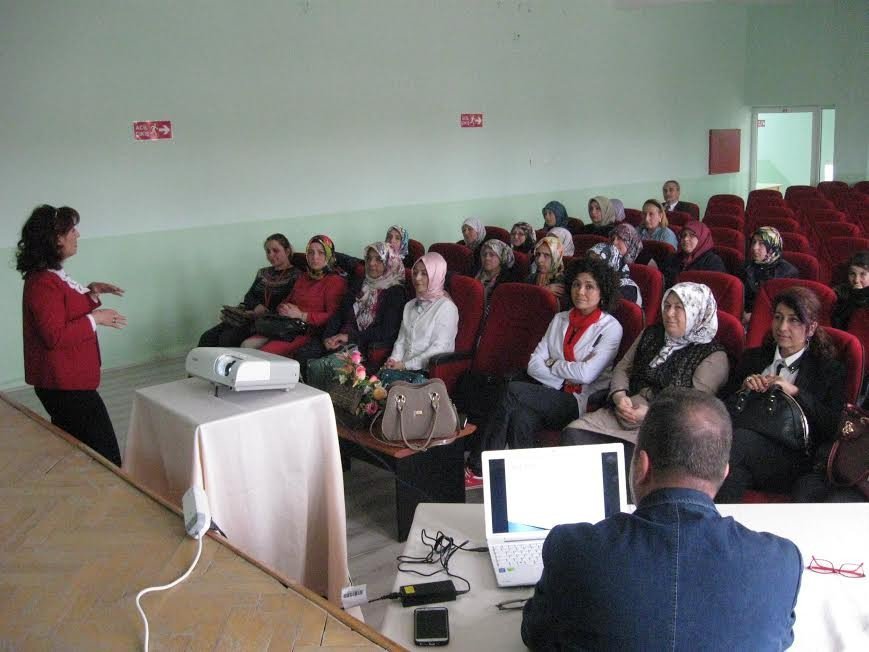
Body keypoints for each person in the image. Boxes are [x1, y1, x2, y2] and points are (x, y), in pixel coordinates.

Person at [522, 388, 802, 651]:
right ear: (725, 472)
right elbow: (781, 638)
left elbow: (537, 635)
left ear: (642, 466)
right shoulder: (781, 560)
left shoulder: (573, 548)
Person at [465, 258, 623, 487]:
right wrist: (561, 370)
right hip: (547, 393)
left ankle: (480, 466)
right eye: (577, 284)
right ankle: (526, 479)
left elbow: (586, 375)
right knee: (520, 416)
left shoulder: (610, 327)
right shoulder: (560, 319)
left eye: (590, 286)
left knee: (511, 391)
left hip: (577, 400)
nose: (581, 291)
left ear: (602, 291)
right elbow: (533, 364)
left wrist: (552, 364)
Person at [562, 282, 728, 462]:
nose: (669, 313)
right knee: (573, 434)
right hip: (624, 409)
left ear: (697, 312)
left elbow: (692, 408)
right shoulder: (653, 333)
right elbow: (623, 367)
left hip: (663, 424)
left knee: (629, 459)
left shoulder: (712, 356)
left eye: (679, 308)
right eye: (667, 305)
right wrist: (619, 395)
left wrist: (650, 412)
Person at [17, 205, 127, 466]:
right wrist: (96, 319)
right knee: (106, 456)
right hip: (63, 385)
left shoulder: (52, 276)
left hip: (68, 382)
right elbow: (54, 335)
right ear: (54, 239)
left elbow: (65, 309)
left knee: (75, 450)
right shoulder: (43, 283)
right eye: (70, 230)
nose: (77, 234)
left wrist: (92, 293)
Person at [716, 287, 846, 503]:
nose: (782, 327)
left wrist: (796, 392)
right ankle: (717, 526)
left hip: (795, 458)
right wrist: (743, 388)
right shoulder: (753, 359)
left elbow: (834, 426)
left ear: (811, 327)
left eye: (794, 320)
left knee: (737, 444)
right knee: (735, 473)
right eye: (778, 318)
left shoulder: (828, 370)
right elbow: (720, 408)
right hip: (744, 449)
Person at [304, 242, 407, 388]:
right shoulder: (361, 283)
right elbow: (340, 313)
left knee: (319, 367)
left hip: (363, 345)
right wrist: (328, 336)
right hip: (341, 339)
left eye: (378, 259)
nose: (371, 264)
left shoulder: (395, 292)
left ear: (390, 263)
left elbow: (386, 331)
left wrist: (349, 338)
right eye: (369, 258)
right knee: (304, 355)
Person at [250, 235, 347, 369]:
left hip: (307, 331)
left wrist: (302, 315)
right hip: (288, 325)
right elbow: (288, 300)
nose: (315, 257)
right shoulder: (304, 277)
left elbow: (334, 316)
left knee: (263, 355)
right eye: (311, 252)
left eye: (321, 253)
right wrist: (283, 307)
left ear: (329, 255)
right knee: (247, 347)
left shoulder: (335, 281)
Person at [198, 234, 301, 347]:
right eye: (268, 251)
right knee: (207, 337)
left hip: (270, 321)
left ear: (287, 251)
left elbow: (290, 302)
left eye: (275, 251)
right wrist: (256, 307)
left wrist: (265, 311)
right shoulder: (263, 273)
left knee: (227, 338)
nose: (271, 255)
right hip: (249, 316)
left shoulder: (296, 275)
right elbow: (249, 296)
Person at [384, 252, 458, 372]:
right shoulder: (410, 305)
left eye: (424, 274)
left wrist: (405, 365)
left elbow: (440, 348)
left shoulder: (446, 308)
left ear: (436, 276)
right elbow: (401, 341)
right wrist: (393, 360)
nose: (417, 278)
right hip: (402, 368)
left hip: (426, 373)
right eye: (415, 272)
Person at [742, 226, 799, 326]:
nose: (755, 247)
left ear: (773, 246)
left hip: (771, 321)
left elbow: (786, 307)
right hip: (743, 318)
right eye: (754, 242)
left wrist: (755, 317)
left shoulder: (788, 273)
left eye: (762, 244)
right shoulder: (745, 267)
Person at [663, 220, 726, 288]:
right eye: (683, 235)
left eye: (692, 235)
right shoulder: (673, 258)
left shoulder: (713, 262)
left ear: (702, 238)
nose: (686, 239)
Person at [527, 236, 568, 310]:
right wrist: (544, 290)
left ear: (556, 257)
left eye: (546, 255)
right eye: (538, 254)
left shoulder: (563, 281)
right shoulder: (531, 278)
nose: (539, 260)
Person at [831, 250, 869, 330]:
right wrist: (856, 295)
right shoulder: (840, 292)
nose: (856, 280)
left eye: (863, 274)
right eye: (852, 274)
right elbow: (838, 321)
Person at [475, 239, 518, 307]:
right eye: (484, 254)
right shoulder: (475, 274)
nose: (487, 258)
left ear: (501, 257)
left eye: (492, 255)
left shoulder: (508, 281)